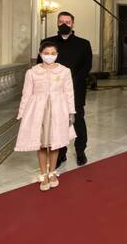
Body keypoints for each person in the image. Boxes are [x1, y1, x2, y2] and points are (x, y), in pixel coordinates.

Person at [16, 42, 76, 191]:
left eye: (53, 53)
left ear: (57, 54)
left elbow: (69, 93)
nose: (49, 56)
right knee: (41, 143)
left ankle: (52, 172)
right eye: (46, 53)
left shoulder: (64, 71)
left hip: (58, 109)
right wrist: (22, 114)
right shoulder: (32, 72)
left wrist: (71, 112)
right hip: (38, 110)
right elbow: (26, 94)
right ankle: (43, 174)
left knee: (55, 142)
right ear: (40, 54)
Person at [39, 12, 92, 168]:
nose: (64, 24)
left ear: (72, 24)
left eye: (67, 22)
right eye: (61, 21)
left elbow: (86, 67)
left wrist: (69, 81)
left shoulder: (83, 44)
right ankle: (60, 154)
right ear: (57, 22)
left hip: (76, 89)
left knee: (78, 121)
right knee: (57, 123)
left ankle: (80, 151)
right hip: (54, 91)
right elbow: (40, 65)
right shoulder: (47, 42)